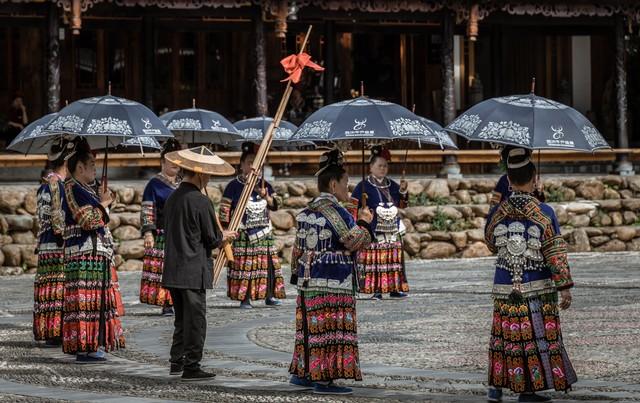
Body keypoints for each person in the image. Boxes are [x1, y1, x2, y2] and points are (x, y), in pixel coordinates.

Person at [484, 148, 576, 403]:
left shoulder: (499, 211)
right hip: (536, 285)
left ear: (509, 181)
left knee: (506, 337)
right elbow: (555, 251)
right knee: (533, 338)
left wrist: (495, 209)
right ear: (534, 179)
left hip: (505, 285)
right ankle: (528, 390)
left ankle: (496, 388)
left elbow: (491, 242)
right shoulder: (544, 212)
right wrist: (564, 287)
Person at [288, 149, 374, 395]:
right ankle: (324, 379)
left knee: (310, 328)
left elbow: (296, 250)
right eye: (346, 183)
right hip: (333, 281)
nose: (348, 188)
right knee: (330, 330)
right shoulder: (336, 212)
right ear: (334, 184)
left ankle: (304, 373)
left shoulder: (307, 211)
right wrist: (366, 222)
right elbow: (353, 240)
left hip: (307, 282)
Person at [161, 146, 237, 381]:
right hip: (192, 268)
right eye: (207, 173)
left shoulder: (172, 197)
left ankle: (177, 361)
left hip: (173, 268)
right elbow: (211, 239)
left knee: (182, 319)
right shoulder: (200, 201)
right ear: (200, 173)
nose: (209, 177)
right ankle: (192, 365)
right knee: (195, 320)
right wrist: (225, 236)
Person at [61, 138, 125, 362]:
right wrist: (104, 204)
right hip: (83, 253)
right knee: (84, 303)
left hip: (94, 253)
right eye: (92, 166)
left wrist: (104, 199)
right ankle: (84, 347)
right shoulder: (71, 188)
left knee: (95, 303)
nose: (96, 170)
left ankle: (93, 343)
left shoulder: (85, 188)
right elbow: (87, 220)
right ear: (80, 167)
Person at [220, 142, 286, 308]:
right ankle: (245, 297)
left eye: (256, 163)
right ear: (241, 165)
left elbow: (277, 204)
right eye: (249, 162)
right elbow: (224, 212)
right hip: (243, 234)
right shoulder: (233, 186)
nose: (253, 166)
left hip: (264, 232)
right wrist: (225, 231)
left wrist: (267, 197)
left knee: (269, 266)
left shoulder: (265, 185)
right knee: (245, 267)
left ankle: (269, 295)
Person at [351, 145, 409, 299]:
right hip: (374, 227)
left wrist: (403, 192)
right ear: (371, 167)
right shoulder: (363, 186)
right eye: (380, 166)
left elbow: (402, 205)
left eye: (385, 166)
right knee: (376, 260)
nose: (383, 169)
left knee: (393, 259)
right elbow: (352, 206)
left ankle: (394, 288)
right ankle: (376, 289)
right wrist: (361, 215)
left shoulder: (393, 185)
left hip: (392, 227)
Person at [33, 138, 73, 347]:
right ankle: (58, 331)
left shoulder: (44, 186)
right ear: (67, 162)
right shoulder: (59, 187)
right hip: (58, 244)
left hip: (45, 243)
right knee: (58, 287)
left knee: (49, 289)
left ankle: (50, 331)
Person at [139, 139, 182, 316]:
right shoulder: (154, 185)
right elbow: (148, 210)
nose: (174, 163)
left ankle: (180, 300)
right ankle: (166, 303)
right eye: (169, 159)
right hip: (163, 234)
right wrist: (149, 232)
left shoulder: (184, 183)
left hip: (181, 234)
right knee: (165, 268)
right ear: (162, 161)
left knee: (180, 267)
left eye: (177, 158)